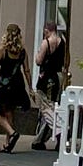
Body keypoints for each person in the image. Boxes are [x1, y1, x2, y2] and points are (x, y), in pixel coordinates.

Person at [0, 22, 32, 155]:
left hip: (5, 85)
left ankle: (12, 133)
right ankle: (7, 144)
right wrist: (30, 88)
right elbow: (27, 71)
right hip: (18, 85)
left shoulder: (3, 50)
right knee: (10, 112)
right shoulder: (22, 52)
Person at [32, 19, 68, 151]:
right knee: (53, 105)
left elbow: (38, 60)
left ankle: (60, 133)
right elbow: (65, 60)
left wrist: (37, 55)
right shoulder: (62, 42)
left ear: (47, 30)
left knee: (46, 108)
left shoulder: (46, 43)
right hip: (57, 77)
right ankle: (42, 139)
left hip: (46, 77)